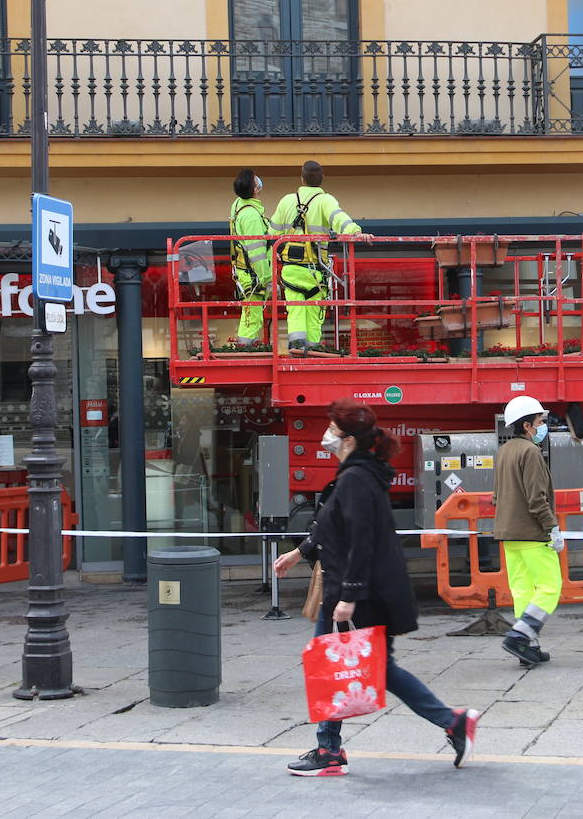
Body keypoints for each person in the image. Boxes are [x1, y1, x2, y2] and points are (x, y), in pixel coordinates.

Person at [274, 399, 479, 777]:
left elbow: (361, 539)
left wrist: (348, 597)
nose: (328, 434)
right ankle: (334, 746)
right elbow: (333, 526)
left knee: (345, 667)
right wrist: (298, 553)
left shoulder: (355, 478)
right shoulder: (357, 474)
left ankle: (332, 749)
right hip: (357, 590)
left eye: (333, 428)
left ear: (347, 437)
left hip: (359, 592)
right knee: (346, 666)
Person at [493, 396, 565, 667]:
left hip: (508, 533)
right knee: (549, 587)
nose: (543, 425)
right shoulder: (531, 452)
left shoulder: (505, 451)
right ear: (526, 426)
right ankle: (520, 636)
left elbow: (497, 496)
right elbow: (537, 499)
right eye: (540, 421)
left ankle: (529, 647)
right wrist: (552, 528)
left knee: (522, 590)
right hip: (532, 533)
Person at [269, 161, 368, 352]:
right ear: (322, 179)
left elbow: (270, 234)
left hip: (291, 269)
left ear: (302, 179)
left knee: (296, 310)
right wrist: (356, 232)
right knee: (314, 312)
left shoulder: (286, 201)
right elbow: (340, 219)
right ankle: (313, 352)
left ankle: (296, 349)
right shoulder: (326, 201)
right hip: (316, 270)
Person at [229, 168, 272, 346]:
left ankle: (245, 346)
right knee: (252, 319)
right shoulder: (251, 216)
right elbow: (257, 254)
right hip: (253, 275)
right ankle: (245, 349)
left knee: (250, 315)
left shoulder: (238, 206)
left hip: (245, 272)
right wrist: (267, 279)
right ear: (255, 189)